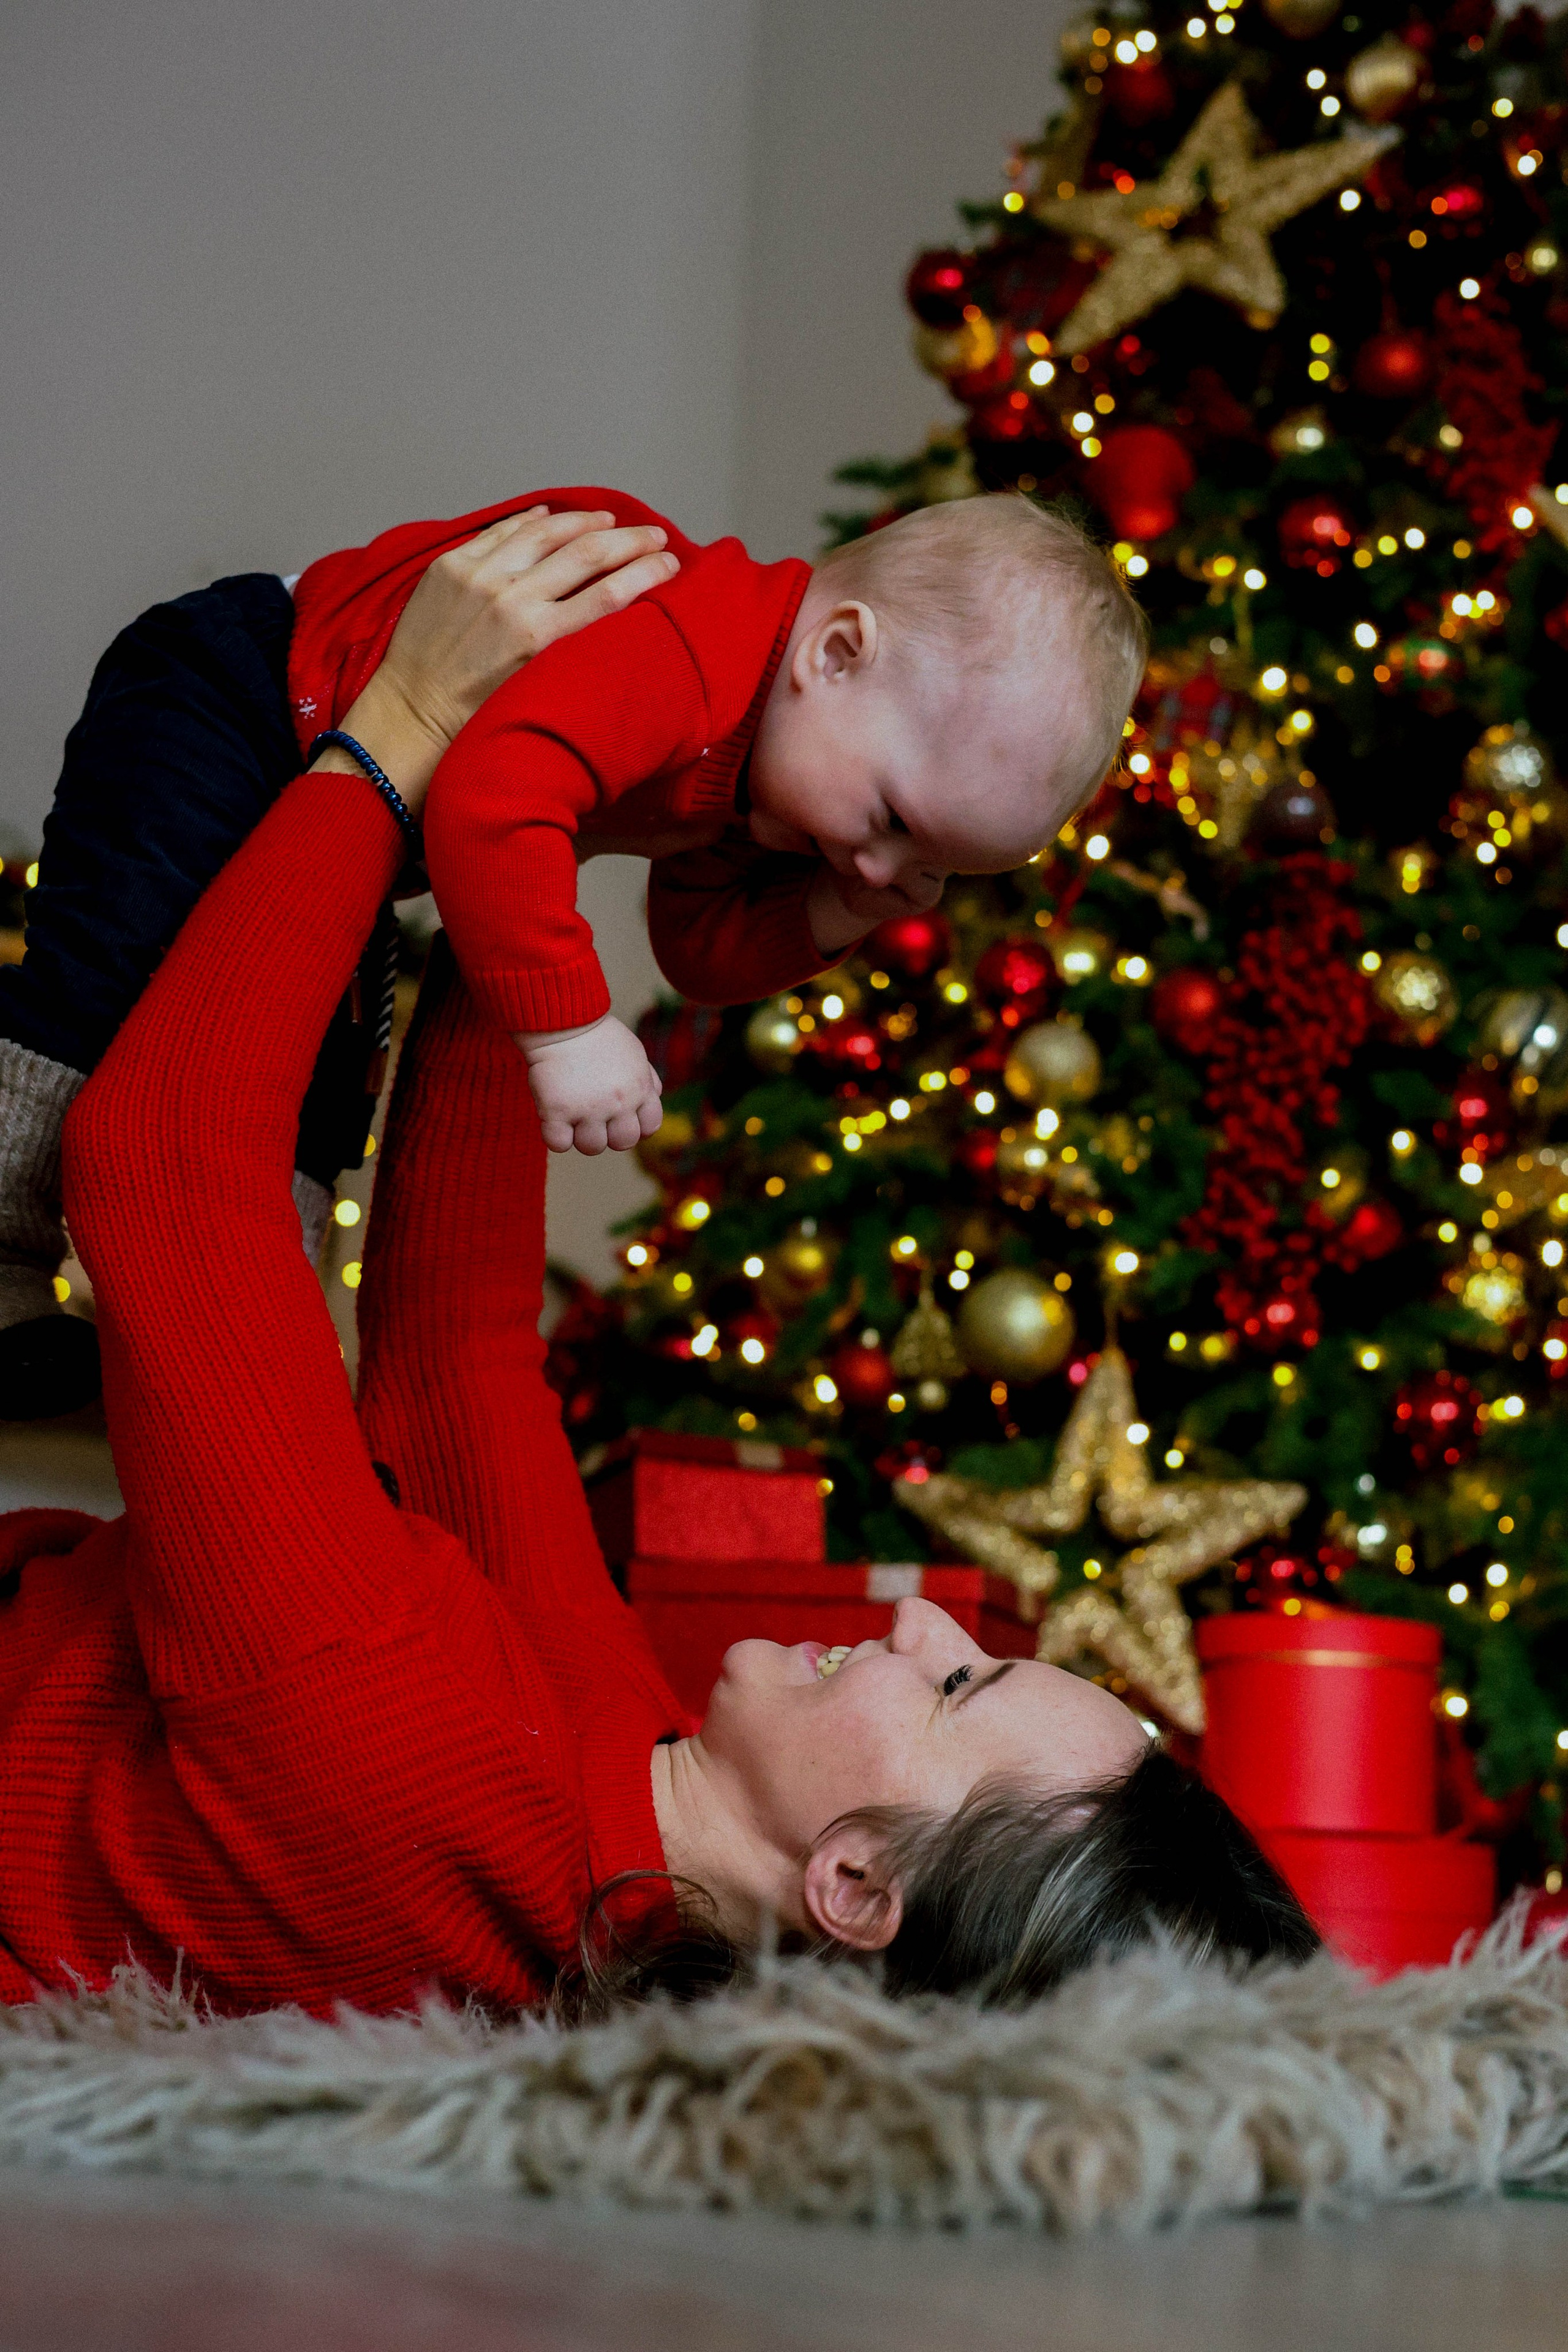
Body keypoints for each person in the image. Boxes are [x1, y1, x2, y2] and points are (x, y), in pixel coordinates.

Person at [0, 530, 1317, 2018]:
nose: (927, 1624)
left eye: (957, 1687)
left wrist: (398, 742)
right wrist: (530, 874)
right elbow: (454, 1358)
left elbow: (165, 1172)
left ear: (854, 1886)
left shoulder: (399, 1747)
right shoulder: (627, 1795)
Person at [0, 489, 1147, 1416]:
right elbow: (493, 801)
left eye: (931, 869)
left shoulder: (768, 774)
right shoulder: (690, 646)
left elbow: (699, 949)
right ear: (837, 654)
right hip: (236, 695)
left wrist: (835, 915)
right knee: (111, 983)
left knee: (312, 1088)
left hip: (346, 802)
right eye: (892, 820)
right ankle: (6, 1268)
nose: (883, 867)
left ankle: (224, 1361)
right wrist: (566, 1027)